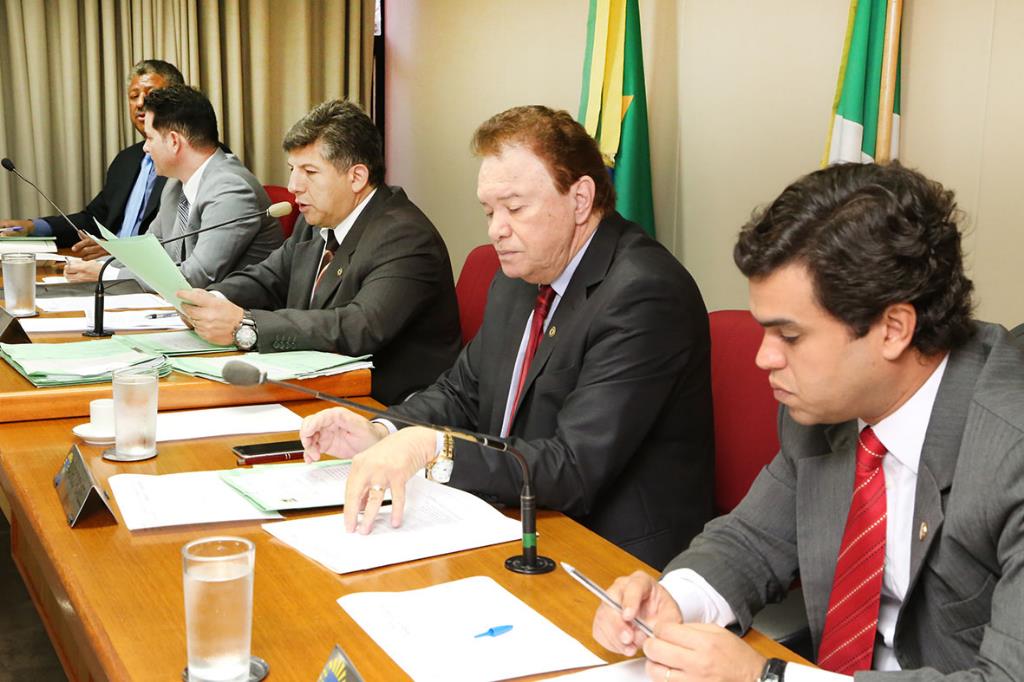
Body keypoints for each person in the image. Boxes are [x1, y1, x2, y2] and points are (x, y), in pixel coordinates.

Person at [591, 162, 1024, 682]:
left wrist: (767, 678)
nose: (764, 358)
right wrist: (674, 599)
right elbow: (750, 541)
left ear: (893, 329)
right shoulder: (822, 411)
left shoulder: (1010, 448)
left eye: (790, 336)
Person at [298, 105, 714, 568]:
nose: (496, 229)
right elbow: (462, 391)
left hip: (611, 551)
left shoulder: (644, 293)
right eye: (489, 210)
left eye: (514, 208)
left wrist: (434, 448)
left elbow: (574, 467)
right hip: (516, 512)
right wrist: (383, 430)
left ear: (580, 199)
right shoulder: (521, 274)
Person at [177, 99, 461, 405]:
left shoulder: (405, 236)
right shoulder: (317, 220)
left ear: (357, 177)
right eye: (293, 169)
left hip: (385, 404)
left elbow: (358, 327)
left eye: (309, 172)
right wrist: (211, 300)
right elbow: (268, 278)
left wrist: (246, 326)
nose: (293, 186)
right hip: (318, 387)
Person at [64, 85, 282, 287]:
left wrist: (106, 275)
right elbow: (147, 250)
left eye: (150, 138)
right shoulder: (174, 185)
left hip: (232, 310)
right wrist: (95, 266)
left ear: (174, 141)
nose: (145, 148)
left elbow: (196, 277)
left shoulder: (231, 191)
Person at [0, 59, 183, 252]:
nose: (140, 103)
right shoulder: (126, 160)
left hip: (149, 267)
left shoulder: (187, 161)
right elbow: (93, 221)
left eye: (151, 95)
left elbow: (180, 240)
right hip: (106, 265)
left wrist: (119, 250)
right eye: (133, 96)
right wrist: (32, 227)